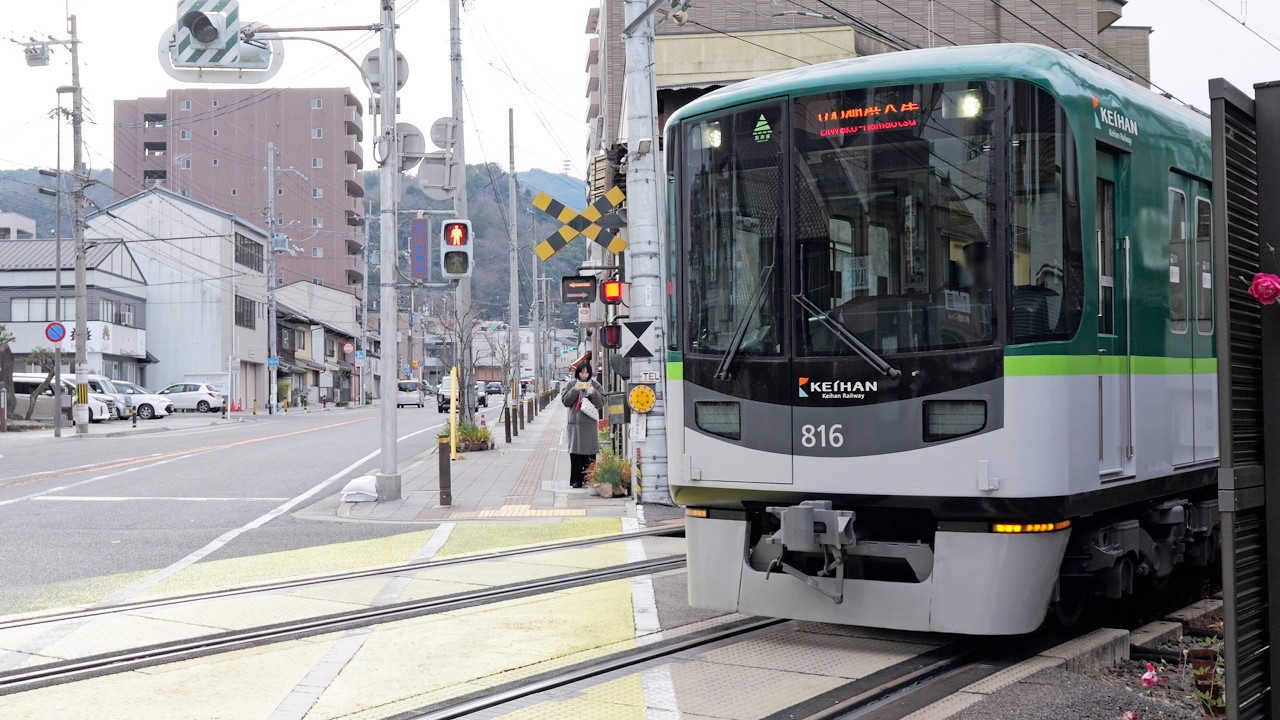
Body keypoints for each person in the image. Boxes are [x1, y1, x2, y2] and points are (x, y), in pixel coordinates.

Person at [561, 361, 606, 489]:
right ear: (578, 373)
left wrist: (593, 392)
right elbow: (565, 401)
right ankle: (576, 480)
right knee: (575, 454)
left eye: (586, 372)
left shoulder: (595, 384)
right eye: (581, 372)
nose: (584, 375)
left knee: (590, 455)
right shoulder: (571, 384)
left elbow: (602, 402)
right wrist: (576, 389)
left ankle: (590, 479)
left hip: (589, 424)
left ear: (590, 373)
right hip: (574, 425)